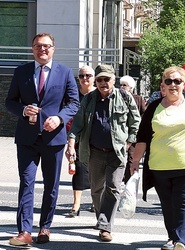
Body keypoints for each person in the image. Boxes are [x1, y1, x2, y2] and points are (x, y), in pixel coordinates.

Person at [129, 66, 185, 250]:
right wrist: (135, 162)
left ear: (184, 84)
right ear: (162, 84)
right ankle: (172, 238)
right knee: (168, 204)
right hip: (159, 167)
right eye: (168, 81)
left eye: (177, 81)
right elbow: (143, 137)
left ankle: (179, 241)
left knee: (181, 202)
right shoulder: (154, 107)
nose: (173, 85)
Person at [5, 32, 80, 246]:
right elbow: (10, 101)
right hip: (27, 139)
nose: (42, 49)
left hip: (53, 139)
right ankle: (24, 231)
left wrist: (59, 118)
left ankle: (45, 227)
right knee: (26, 183)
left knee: (51, 185)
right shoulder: (21, 72)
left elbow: (74, 103)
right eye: (38, 46)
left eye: (46, 46)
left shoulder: (65, 73)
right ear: (33, 49)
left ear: (53, 49)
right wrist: (22, 110)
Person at [66, 64, 141, 242]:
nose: (102, 83)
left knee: (113, 187)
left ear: (113, 80)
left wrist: (130, 140)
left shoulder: (124, 96)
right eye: (99, 79)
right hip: (94, 152)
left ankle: (105, 226)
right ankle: (102, 219)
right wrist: (71, 144)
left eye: (106, 79)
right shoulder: (89, 99)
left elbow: (135, 120)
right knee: (96, 189)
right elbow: (78, 123)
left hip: (117, 151)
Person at [67, 65, 97, 217]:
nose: (85, 78)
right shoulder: (73, 96)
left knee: (96, 170)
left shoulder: (98, 95)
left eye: (88, 75)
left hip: (96, 138)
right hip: (77, 138)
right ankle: (76, 204)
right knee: (78, 169)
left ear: (94, 78)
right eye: (81, 76)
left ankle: (95, 201)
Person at [119, 75, 147, 184]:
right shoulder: (116, 97)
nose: (122, 87)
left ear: (131, 88)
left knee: (132, 158)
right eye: (121, 85)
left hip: (134, 133)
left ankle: (129, 181)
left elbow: (143, 114)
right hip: (120, 132)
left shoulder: (138, 99)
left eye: (125, 85)